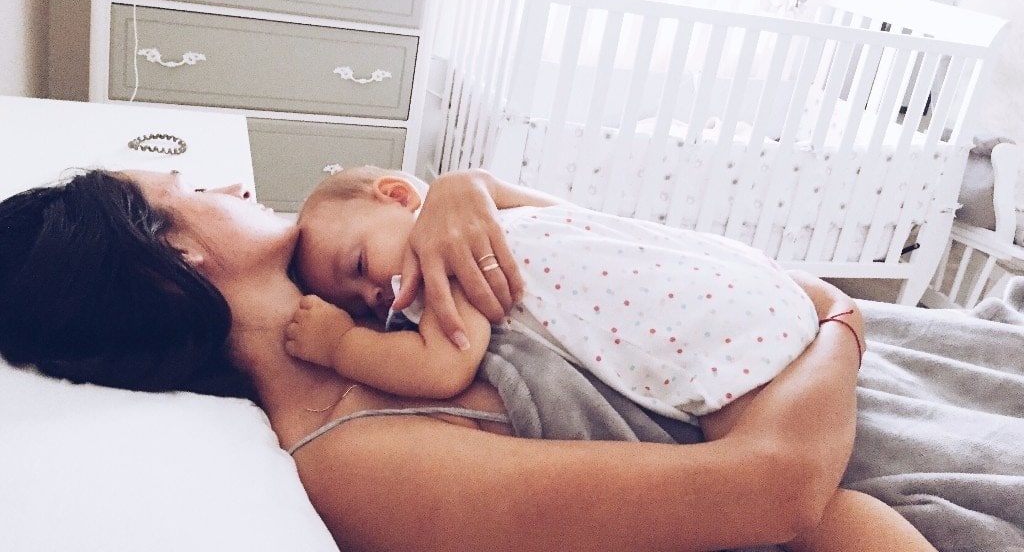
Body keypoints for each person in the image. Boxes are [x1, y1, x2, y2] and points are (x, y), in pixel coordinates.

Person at [0, 166, 880, 551]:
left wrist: (462, 186)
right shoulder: (356, 456)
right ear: (173, 262)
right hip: (812, 439)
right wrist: (836, 319)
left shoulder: (364, 301)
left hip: (778, 373)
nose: (230, 185)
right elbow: (776, 491)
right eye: (188, 193)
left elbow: (591, 247)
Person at [285, 166, 935, 552]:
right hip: (754, 285)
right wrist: (468, 183)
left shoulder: (444, 265)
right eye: (363, 305)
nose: (378, 299)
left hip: (731, 343)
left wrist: (342, 343)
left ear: (398, 195)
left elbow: (443, 367)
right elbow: (586, 219)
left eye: (361, 268)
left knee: (820, 520)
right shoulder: (490, 212)